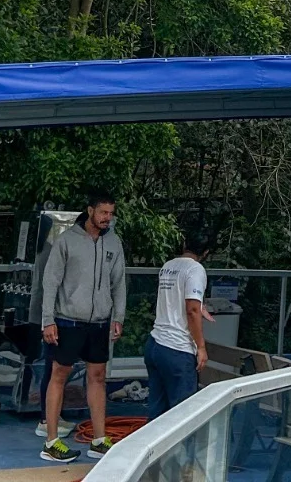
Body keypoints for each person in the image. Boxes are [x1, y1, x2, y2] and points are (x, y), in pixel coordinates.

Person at [39, 191, 127, 464]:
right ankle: (52, 441)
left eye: (111, 213)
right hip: (68, 319)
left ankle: (99, 440)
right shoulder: (67, 241)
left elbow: (120, 281)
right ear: (90, 211)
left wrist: (118, 316)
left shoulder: (114, 242)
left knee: (98, 376)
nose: (107, 218)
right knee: (59, 374)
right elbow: (51, 281)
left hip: (99, 321)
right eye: (103, 213)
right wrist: (48, 320)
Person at [144, 227, 213, 419]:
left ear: (184, 244)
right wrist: (201, 347)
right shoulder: (195, 269)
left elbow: (175, 298)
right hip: (177, 349)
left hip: (155, 344)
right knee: (182, 418)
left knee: (157, 414)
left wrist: (199, 307)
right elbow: (191, 309)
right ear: (206, 253)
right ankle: (181, 451)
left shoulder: (168, 266)